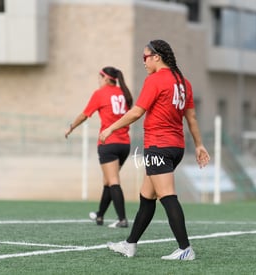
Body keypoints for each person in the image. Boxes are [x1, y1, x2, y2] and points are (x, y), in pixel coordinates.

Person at [99, 40, 210, 260]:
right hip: (176, 147)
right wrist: (198, 144)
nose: (144, 62)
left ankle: (185, 248)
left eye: (145, 57)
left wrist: (110, 128)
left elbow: (136, 113)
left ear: (156, 57)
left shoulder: (156, 80)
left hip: (159, 147)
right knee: (146, 197)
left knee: (167, 196)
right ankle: (130, 244)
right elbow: (192, 118)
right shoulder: (184, 82)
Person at [65, 66, 133, 228]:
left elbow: (84, 115)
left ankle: (122, 219)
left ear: (106, 78)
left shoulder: (100, 94)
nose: (98, 80)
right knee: (108, 180)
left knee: (113, 180)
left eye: (100, 77)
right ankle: (100, 215)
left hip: (108, 142)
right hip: (124, 144)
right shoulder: (124, 93)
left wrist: (71, 127)